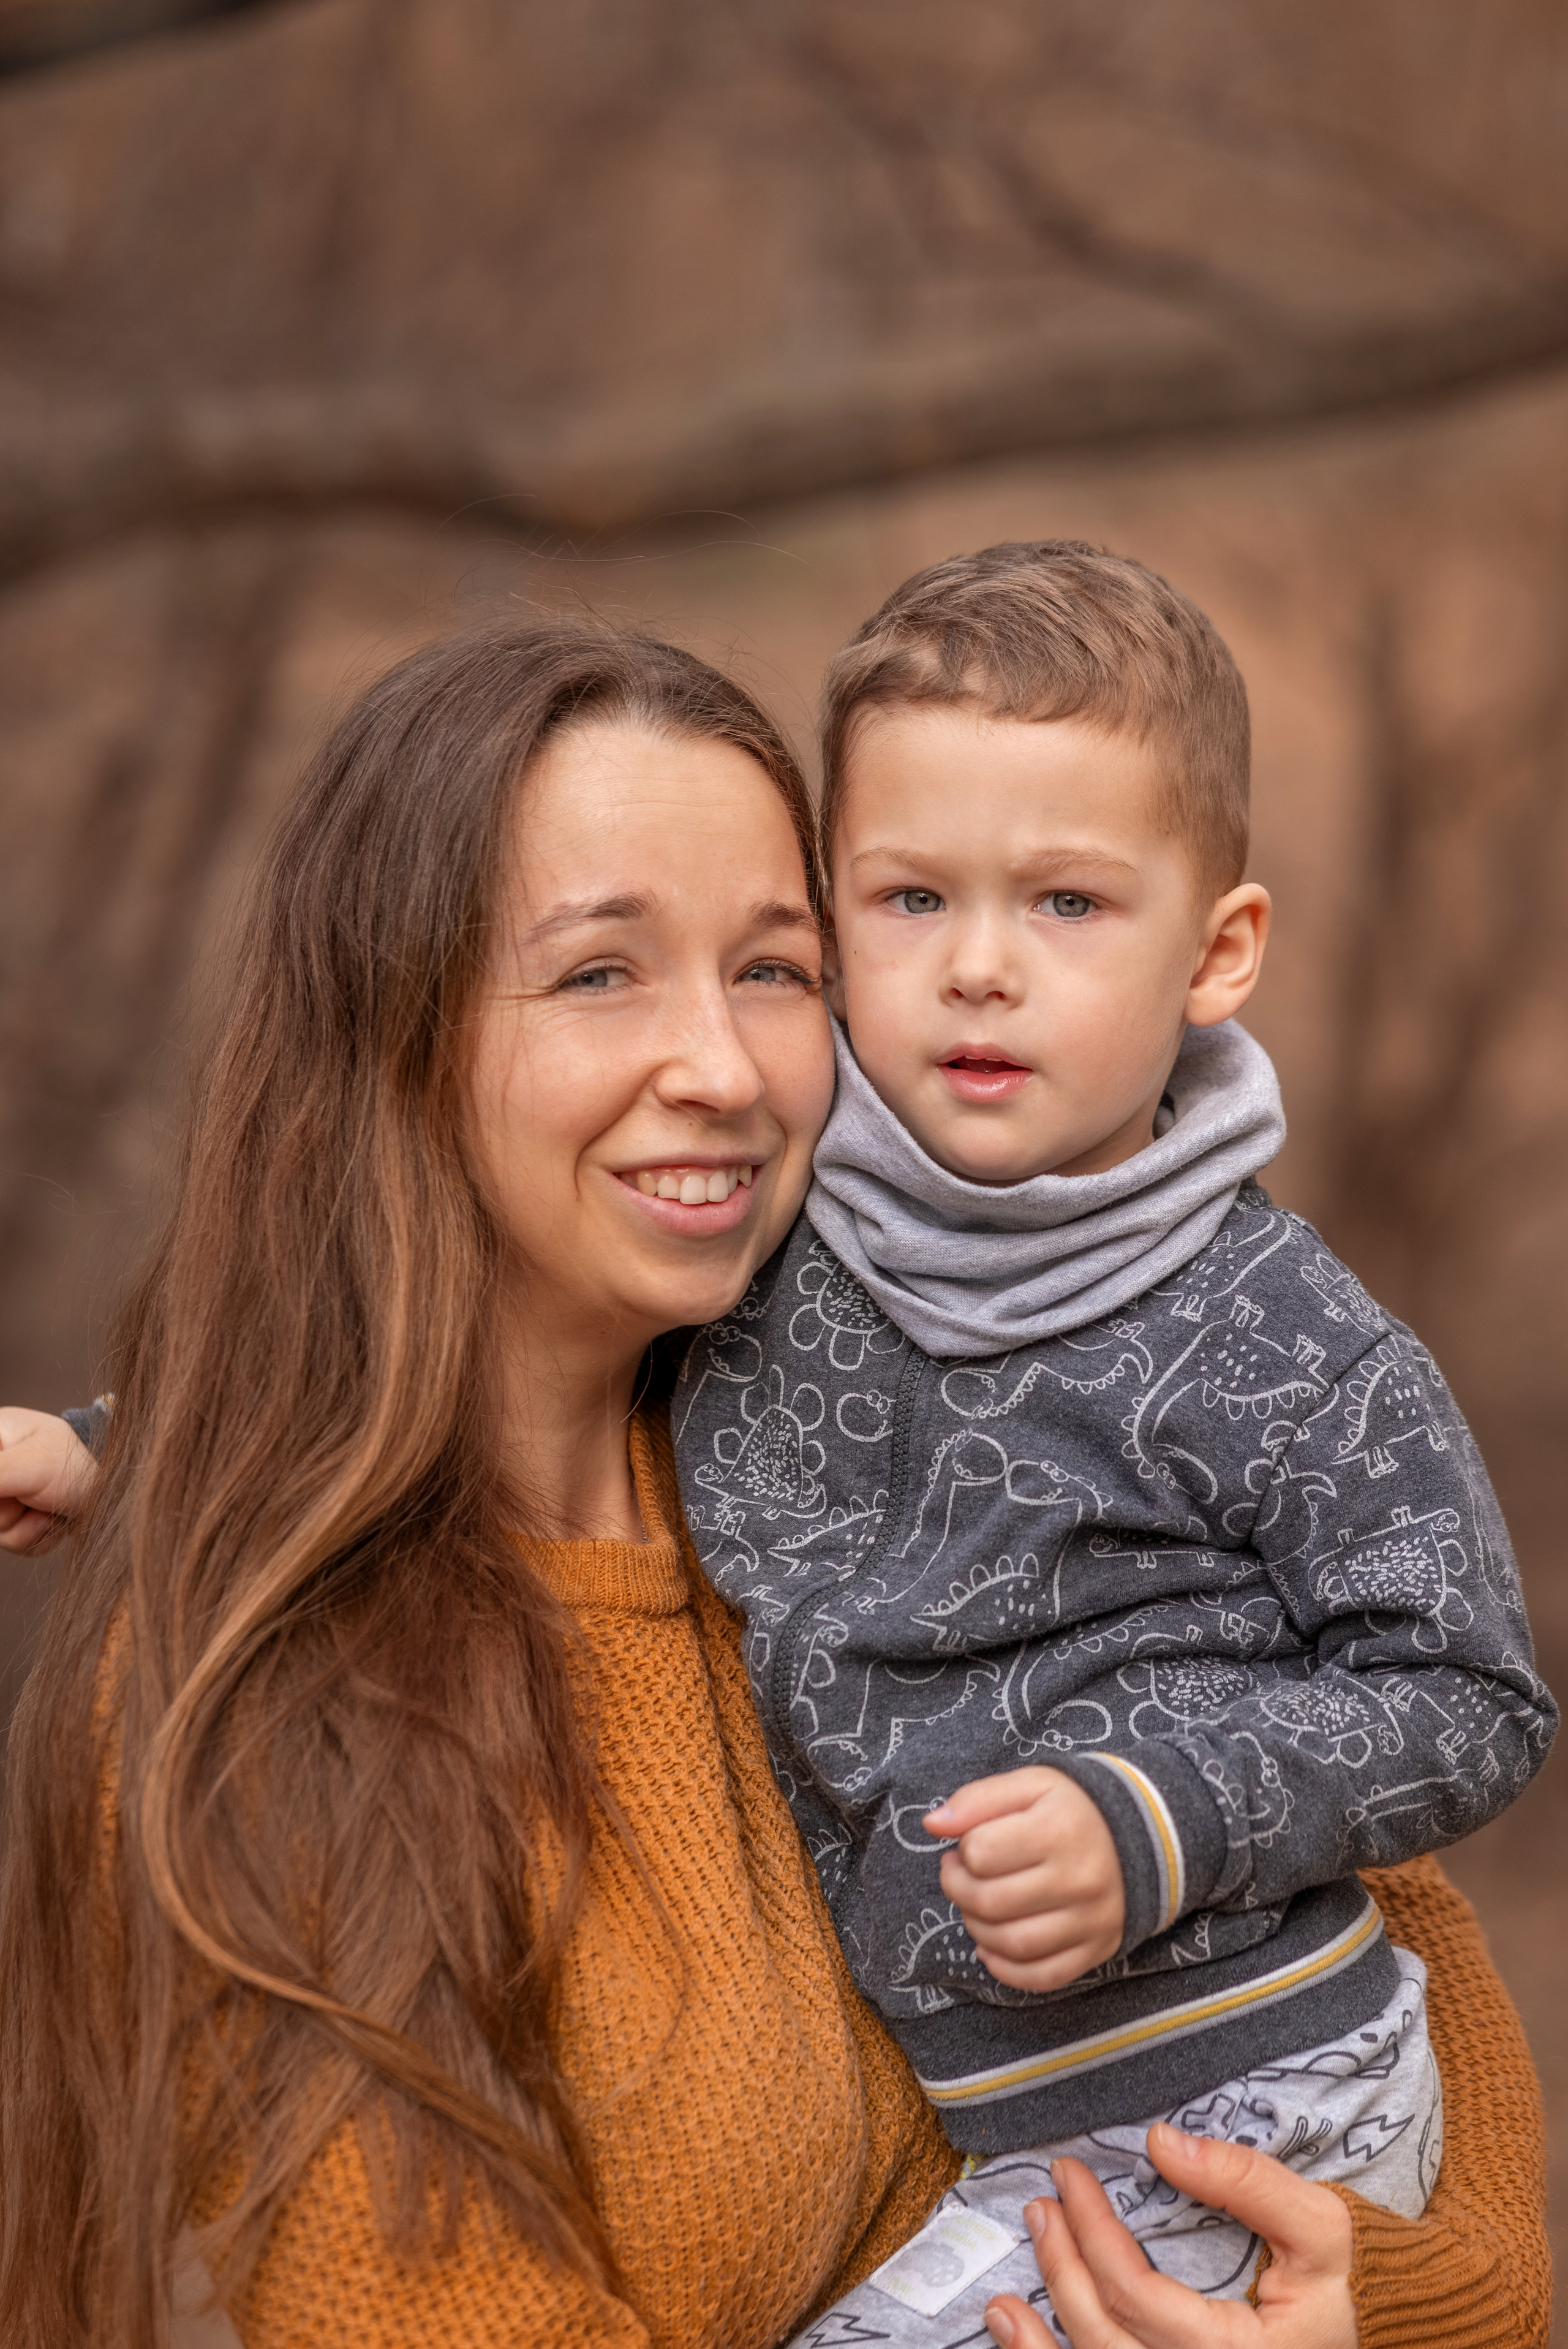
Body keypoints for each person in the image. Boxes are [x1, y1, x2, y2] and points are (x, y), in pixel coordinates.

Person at [0, 618, 1550, 2349]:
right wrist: (126, 1440)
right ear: (396, 1035)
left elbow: (1372, 1886)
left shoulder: (867, 1421)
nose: (726, 1071)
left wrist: (1385, 2307)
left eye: (772, 967)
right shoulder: (264, 1681)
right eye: (602, 972)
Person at [665, 547, 1556, 2343]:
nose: (979, 968)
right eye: (910, 899)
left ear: (1217, 949)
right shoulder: (759, 1244)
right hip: (984, 2121)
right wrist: (124, 1452)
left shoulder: (1289, 1344)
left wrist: (1149, 1820)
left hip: (1244, 2086)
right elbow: (467, 1392)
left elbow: (1474, 1697)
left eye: (1067, 904)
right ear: (829, 921)